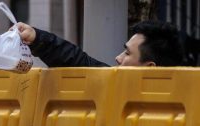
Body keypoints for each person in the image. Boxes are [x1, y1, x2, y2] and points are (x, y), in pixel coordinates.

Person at [16, 20, 184, 67]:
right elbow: (77, 61)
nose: (117, 58)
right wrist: (37, 38)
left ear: (150, 68)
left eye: (127, 53)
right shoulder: (114, 85)